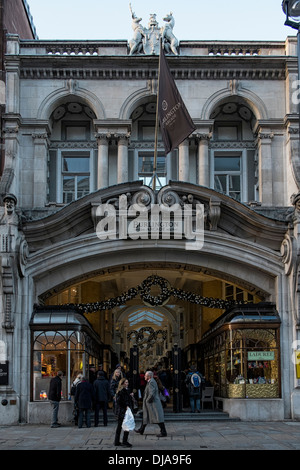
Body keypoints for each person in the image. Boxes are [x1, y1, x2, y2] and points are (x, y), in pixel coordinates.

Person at [135, 370, 167, 437]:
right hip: (151, 403)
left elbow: (152, 393)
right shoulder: (150, 381)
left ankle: (163, 432)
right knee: (146, 416)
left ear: (149, 376)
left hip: (153, 403)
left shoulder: (151, 382)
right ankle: (141, 429)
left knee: (157, 417)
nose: (144, 377)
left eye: (145, 376)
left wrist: (147, 400)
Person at [113, 377, 134, 447]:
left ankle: (117, 441)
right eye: (126, 382)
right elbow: (120, 401)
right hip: (123, 411)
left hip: (121, 411)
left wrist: (130, 396)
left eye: (127, 382)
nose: (127, 384)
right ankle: (124, 441)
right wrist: (126, 406)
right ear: (122, 383)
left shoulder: (124, 391)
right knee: (126, 426)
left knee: (120, 427)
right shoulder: (122, 391)